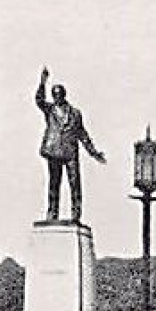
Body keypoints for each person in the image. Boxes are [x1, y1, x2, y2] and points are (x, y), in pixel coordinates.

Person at [35, 66, 106, 222]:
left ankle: (76, 213)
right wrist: (42, 82)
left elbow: (82, 134)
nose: (56, 97)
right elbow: (39, 100)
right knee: (54, 184)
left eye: (59, 95)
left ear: (64, 96)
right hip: (53, 150)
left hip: (70, 152)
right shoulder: (49, 109)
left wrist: (94, 152)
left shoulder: (75, 113)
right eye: (54, 95)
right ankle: (52, 213)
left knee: (75, 183)